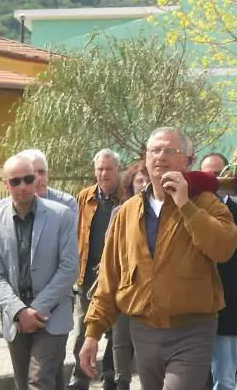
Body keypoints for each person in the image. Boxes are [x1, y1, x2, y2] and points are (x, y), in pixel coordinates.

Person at [79, 127, 237, 390]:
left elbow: (224, 247)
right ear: (145, 158)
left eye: (170, 150)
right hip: (143, 332)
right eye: (155, 150)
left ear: (187, 160)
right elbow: (109, 278)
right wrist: (92, 334)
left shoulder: (205, 203)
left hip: (192, 331)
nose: (161, 157)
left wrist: (185, 205)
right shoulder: (127, 213)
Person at [0, 155, 78, 390]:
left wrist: (37, 310)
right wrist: (19, 311)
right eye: (15, 181)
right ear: (5, 184)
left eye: (28, 179)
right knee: (25, 383)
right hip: (16, 319)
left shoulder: (61, 215)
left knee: (39, 381)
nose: (23, 186)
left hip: (52, 314)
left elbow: (69, 268)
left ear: (36, 180)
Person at [69, 149, 126, 390]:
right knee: (83, 328)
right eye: (100, 169)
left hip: (117, 275)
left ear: (118, 171)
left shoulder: (126, 199)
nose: (103, 174)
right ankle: (80, 377)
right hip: (88, 276)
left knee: (116, 332)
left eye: (108, 169)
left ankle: (110, 378)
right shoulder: (85, 197)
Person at [200, 153, 237, 390]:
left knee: (224, 380)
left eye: (218, 174)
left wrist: (213, 292)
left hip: (227, 309)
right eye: (207, 175)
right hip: (190, 313)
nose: (213, 180)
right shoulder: (186, 212)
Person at [105, 160, 151, 390]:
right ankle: (121, 380)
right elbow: (109, 249)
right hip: (124, 284)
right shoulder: (119, 211)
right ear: (131, 185)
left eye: (147, 180)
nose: (143, 184)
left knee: (144, 340)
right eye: (139, 181)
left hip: (148, 289)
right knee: (120, 338)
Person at [0, 149, 78, 216]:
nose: (38, 178)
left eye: (41, 172)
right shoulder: (3, 207)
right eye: (31, 175)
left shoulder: (66, 203)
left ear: (47, 174)